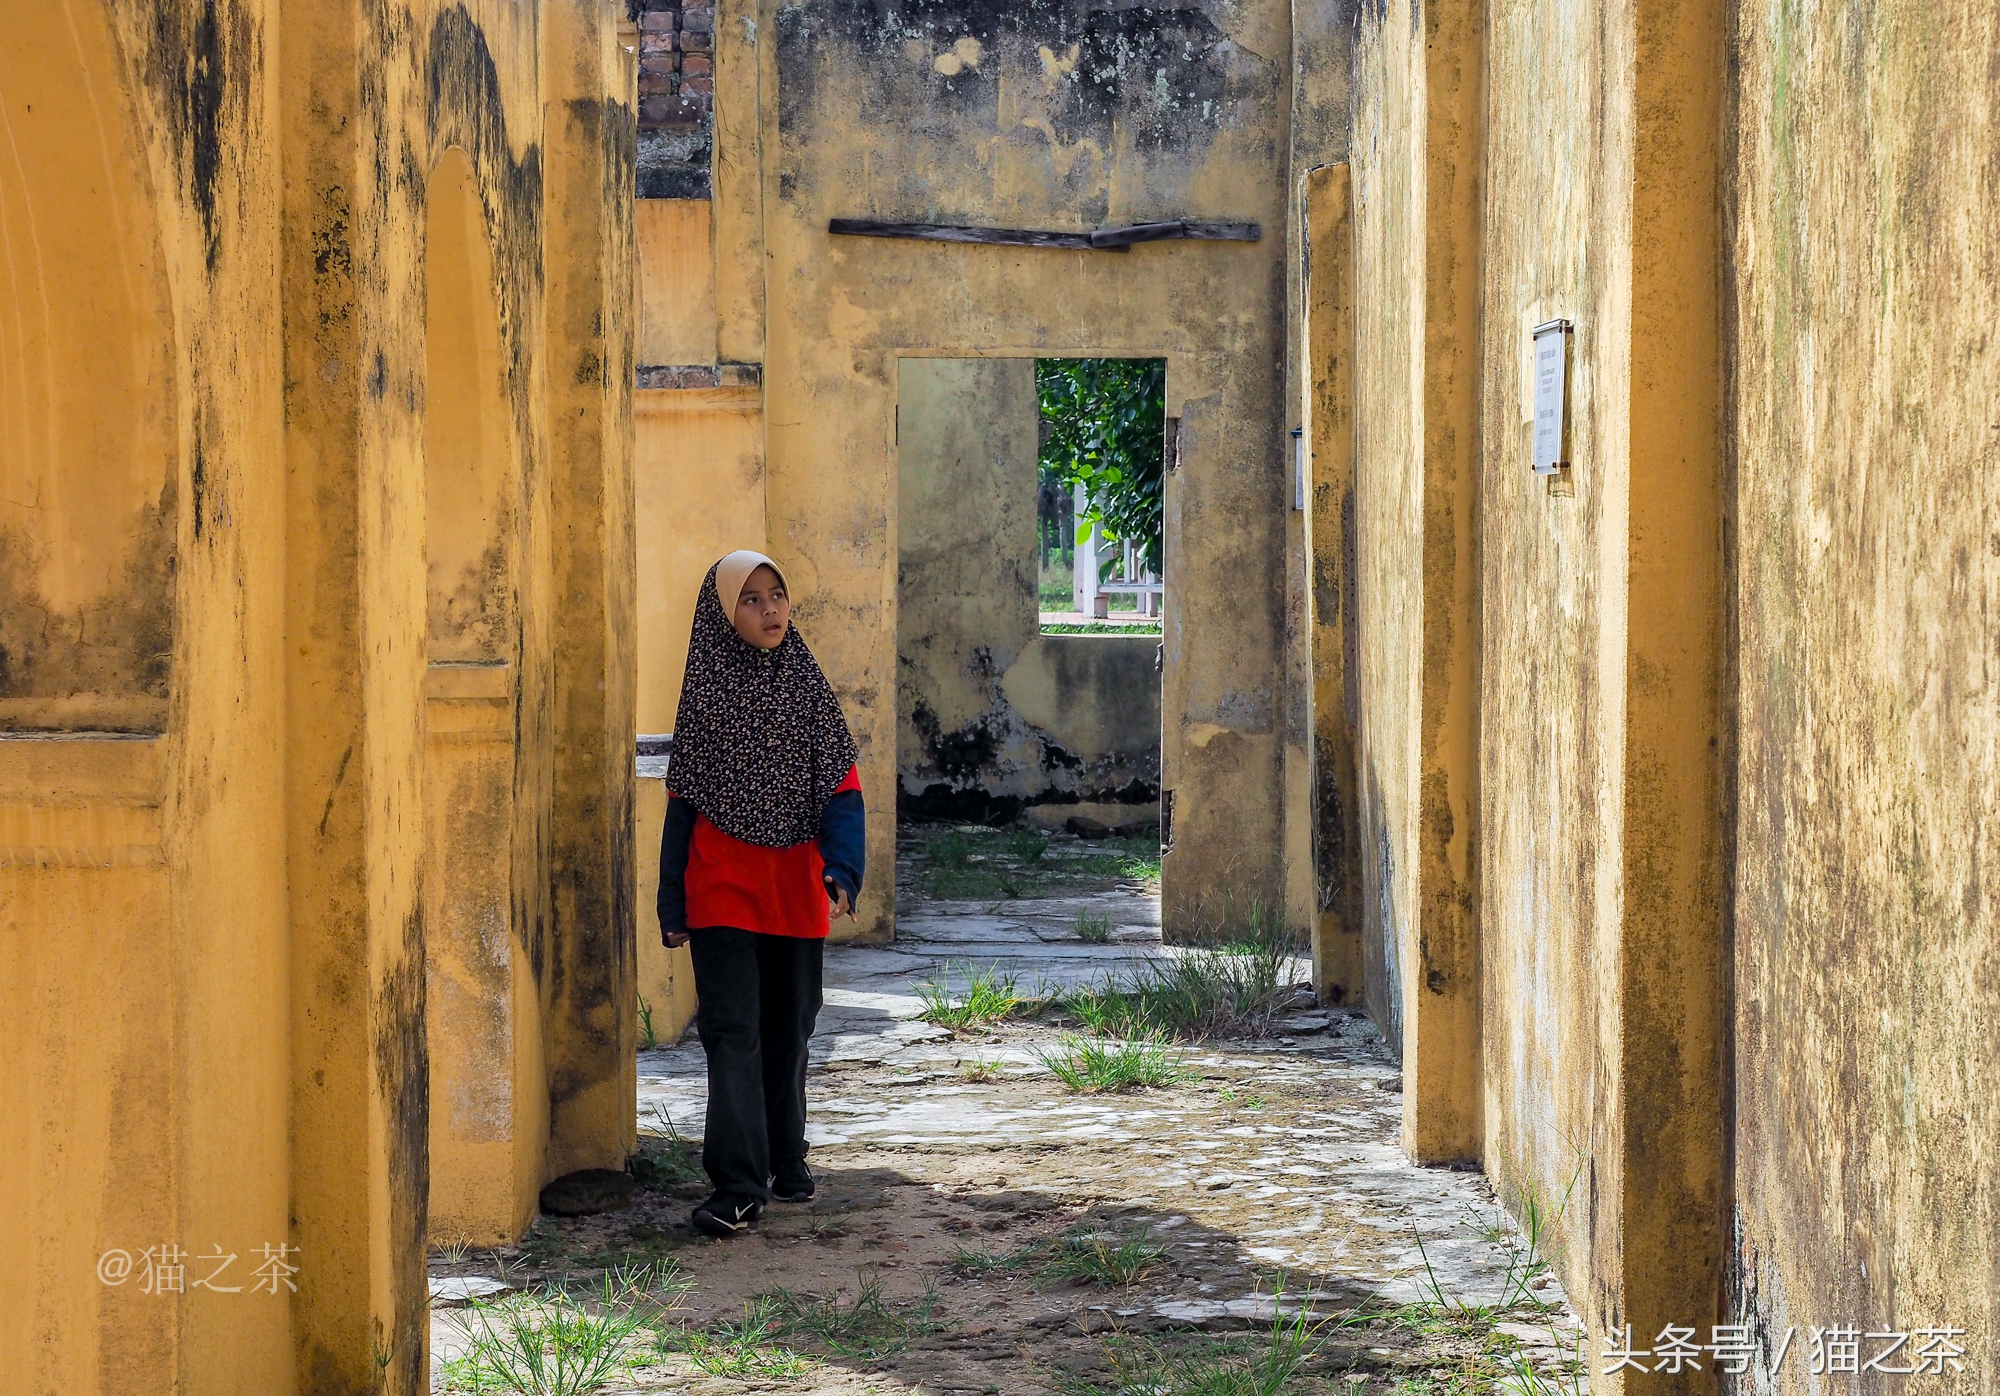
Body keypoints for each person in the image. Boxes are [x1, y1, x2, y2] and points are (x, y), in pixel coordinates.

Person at [657, 549, 864, 1237]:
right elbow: (683, 805)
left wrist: (843, 868)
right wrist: (671, 902)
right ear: (723, 614)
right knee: (731, 1033)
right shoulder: (706, 696)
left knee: (789, 1028)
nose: (770, 609)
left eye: (776, 594)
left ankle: (785, 1156)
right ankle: (738, 1186)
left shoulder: (807, 687)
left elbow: (842, 789)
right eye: (750, 599)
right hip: (720, 889)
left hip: (795, 891)